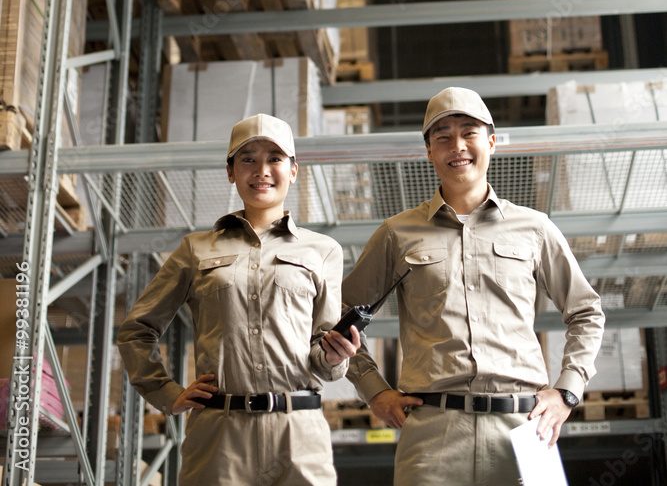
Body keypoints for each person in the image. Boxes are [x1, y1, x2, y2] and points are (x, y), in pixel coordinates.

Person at [341, 86, 605, 486]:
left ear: (492, 143)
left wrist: (567, 390)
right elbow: (338, 321)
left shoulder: (535, 228)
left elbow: (586, 312)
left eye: (469, 132)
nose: (457, 145)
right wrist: (374, 390)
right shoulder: (397, 234)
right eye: (442, 136)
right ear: (429, 151)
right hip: (432, 436)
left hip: (525, 427)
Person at [118, 113, 360, 486]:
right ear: (231, 172)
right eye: (247, 159)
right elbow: (137, 329)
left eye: (274, 159)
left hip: (299, 434)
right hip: (219, 437)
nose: (261, 170)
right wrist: (167, 393)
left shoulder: (323, 250)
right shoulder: (195, 249)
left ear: (293, 171)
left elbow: (322, 355)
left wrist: (334, 356)